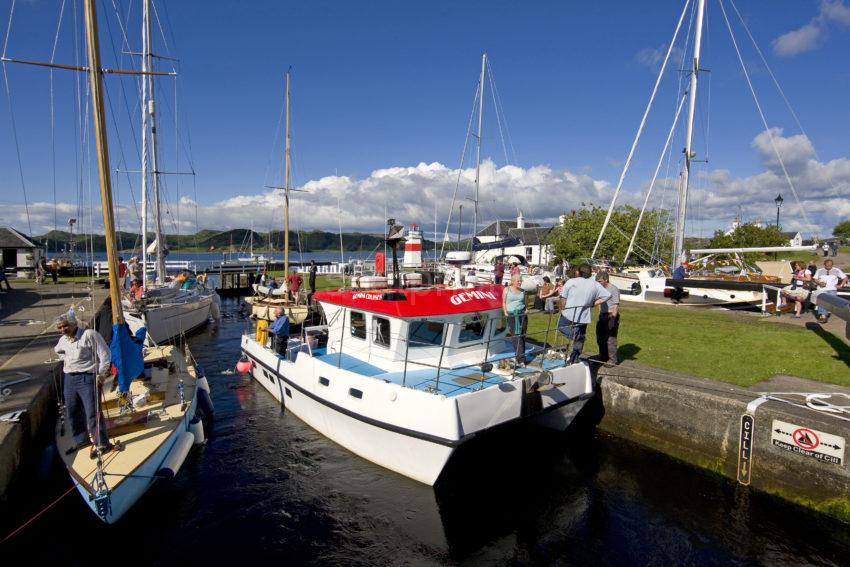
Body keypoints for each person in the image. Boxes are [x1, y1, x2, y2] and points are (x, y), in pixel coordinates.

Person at [54, 313, 113, 458]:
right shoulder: (63, 340)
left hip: (88, 377)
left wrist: (101, 373)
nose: (63, 329)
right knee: (73, 411)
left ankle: (102, 443)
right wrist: (68, 360)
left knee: (93, 412)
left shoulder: (89, 335)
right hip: (69, 378)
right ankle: (81, 439)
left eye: (65, 326)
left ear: (74, 324)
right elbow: (59, 351)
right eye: (60, 327)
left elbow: (105, 354)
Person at [558, 263, 610, 364]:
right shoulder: (595, 284)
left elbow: (563, 298)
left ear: (579, 272)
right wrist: (593, 303)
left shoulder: (571, 281)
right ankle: (575, 357)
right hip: (584, 315)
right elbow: (607, 295)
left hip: (569, 312)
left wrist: (562, 308)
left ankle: (574, 336)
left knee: (561, 326)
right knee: (580, 336)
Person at [595, 272, 620, 365]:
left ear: (606, 280)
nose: (598, 283)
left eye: (600, 281)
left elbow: (616, 305)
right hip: (602, 315)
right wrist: (599, 314)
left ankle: (612, 360)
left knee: (610, 339)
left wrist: (613, 318)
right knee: (600, 337)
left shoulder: (614, 289)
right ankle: (603, 357)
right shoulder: (600, 289)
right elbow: (600, 303)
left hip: (611, 315)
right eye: (597, 281)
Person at [503, 275, 527, 368]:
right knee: (516, 336)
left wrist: (527, 309)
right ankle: (521, 360)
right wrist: (505, 312)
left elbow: (525, 303)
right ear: (512, 281)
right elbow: (504, 302)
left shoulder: (523, 291)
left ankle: (520, 357)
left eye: (520, 281)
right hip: (512, 315)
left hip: (522, 315)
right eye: (518, 281)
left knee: (523, 336)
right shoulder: (506, 290)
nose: (520, 282)